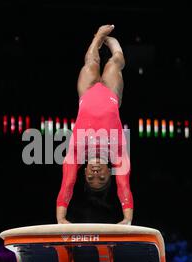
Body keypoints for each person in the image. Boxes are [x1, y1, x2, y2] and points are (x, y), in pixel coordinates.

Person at [56, 25, 133, 225]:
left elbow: (67, 185)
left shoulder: (75, 156)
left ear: (84, 172)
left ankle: (99, 35)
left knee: (91, 62)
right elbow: (124, 187)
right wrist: (127, 219)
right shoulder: (117, 155)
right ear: (110, 173)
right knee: (115, 63)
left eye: (91, 179)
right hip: (112, 94)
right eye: (102, 179)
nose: (96, 175)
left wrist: (61, 218)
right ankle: (114, 45)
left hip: (87, 92)